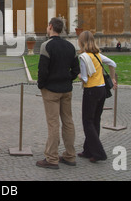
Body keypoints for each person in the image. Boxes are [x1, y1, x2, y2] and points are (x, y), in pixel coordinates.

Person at [36, 17, 80, 170]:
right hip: (66, 89)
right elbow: (76, 70)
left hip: (51, 90)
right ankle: (70, 155)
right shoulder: (70, 46)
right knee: (68, 122)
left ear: (50, 27)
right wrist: (68, 78)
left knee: (53, 123)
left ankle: (52, 158)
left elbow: (42, 71)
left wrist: (41, 85)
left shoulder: (46, 46)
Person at [77, 31, 117, 163]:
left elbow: (84, 78)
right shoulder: (98, 55)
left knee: (87, 122)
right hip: (101, 90)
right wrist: (112, 77)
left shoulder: (83, 57)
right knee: (95, 120)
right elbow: (113, 63)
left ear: (81, 42)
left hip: (91, 91)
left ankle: (98, 152)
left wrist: (77, 76)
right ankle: (88, 150)